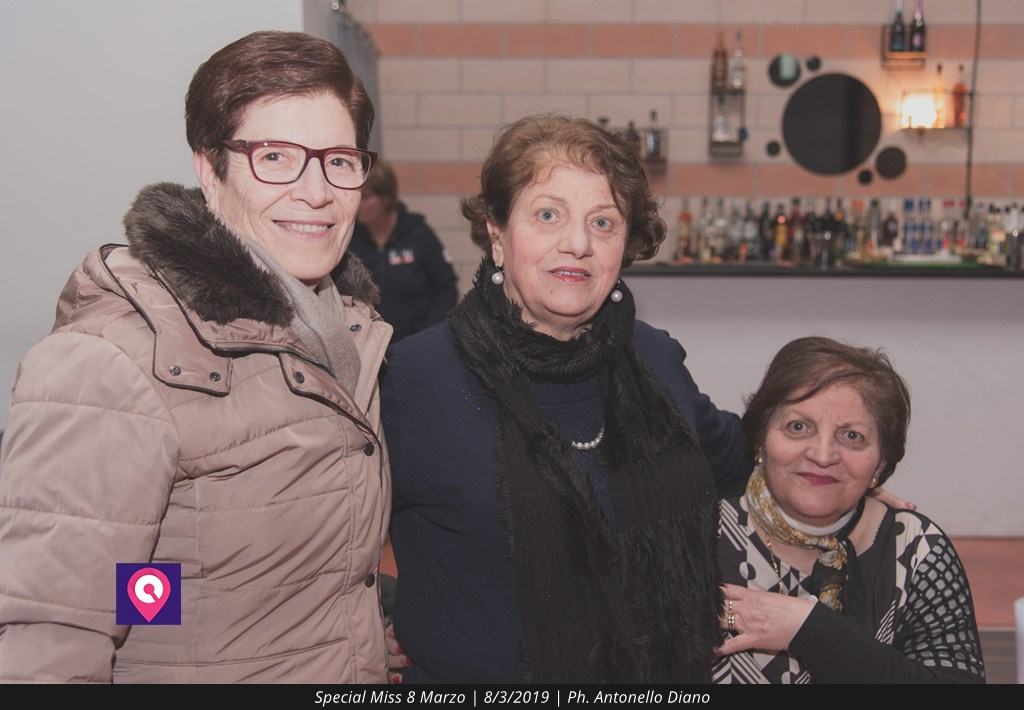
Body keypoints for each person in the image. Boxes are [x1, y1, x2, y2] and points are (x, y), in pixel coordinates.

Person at [0, 31, 392, 683]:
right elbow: (50, 643)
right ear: (211, 170)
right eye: (275, 157)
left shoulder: (347, 336)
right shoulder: (114, 363)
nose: (316, 191)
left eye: (339, 160)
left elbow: (224, 589)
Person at [380, 115, 752, 683]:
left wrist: (854, 477)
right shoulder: (413, 379)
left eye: (603, 222)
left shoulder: (653, 361)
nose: (577, 244)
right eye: (548, 215)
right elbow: (314, 534)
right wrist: (367, 621)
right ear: (497, 233)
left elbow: (738, 456)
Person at [714, 337, 985, 684]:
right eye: (799, 427)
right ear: (760, 441)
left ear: (880, 463)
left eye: (852, 436)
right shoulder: (698, 535)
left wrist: (810, 630)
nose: (823, 455)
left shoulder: (915, 550)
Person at [346, 160, 458, 341]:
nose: (359, 204)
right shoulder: (351, 239)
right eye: (356, 196)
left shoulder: (417, 233)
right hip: (370, 343)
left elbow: (446, 289)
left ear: (386, 198)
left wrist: (429, 335)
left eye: (366, 197)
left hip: (417, 342)